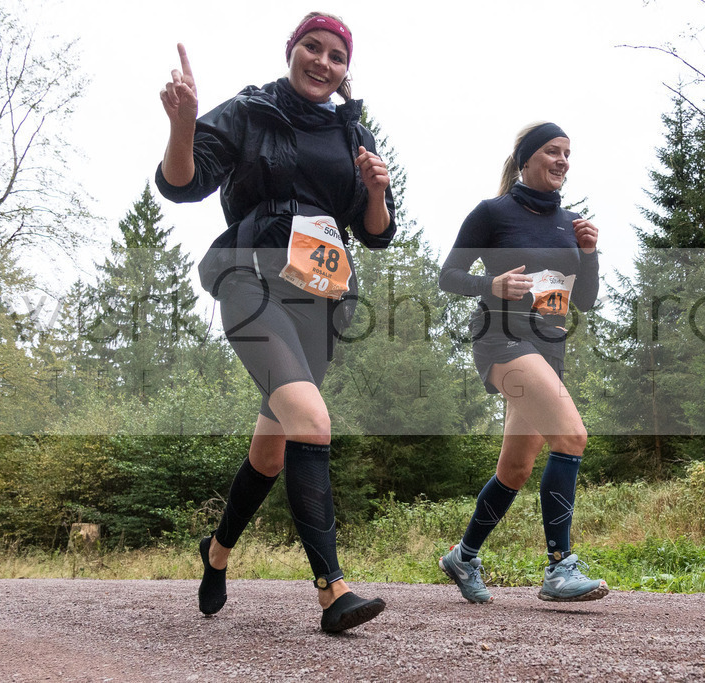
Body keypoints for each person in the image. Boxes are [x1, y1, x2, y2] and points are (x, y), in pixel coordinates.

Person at [155, 12, 395, 632]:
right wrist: (183, 128)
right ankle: (332, 590)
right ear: (291, 51)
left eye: (336, 56)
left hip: (318, 295)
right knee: (313, 422)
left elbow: (374, 235)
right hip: (251, 279)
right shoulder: (251, 110)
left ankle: (216, 551)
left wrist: (375, 191)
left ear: (347, 70)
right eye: (311, 48)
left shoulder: (352, 131)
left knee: (271, 452)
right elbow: (182, 184)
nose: (322, 61)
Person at [437, 122, 607, 603]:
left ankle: (463, 555)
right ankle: (559, 567)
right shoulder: (492, 213)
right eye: (553, 151)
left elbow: (587, 300)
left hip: (549, 349)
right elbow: (448, 276)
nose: (562, 161)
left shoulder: (571, 222)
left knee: (515, 469)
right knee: (572, 436)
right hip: (501, 342)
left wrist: (589, 254)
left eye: (568, 154)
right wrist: (489, 286)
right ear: (527, 158)